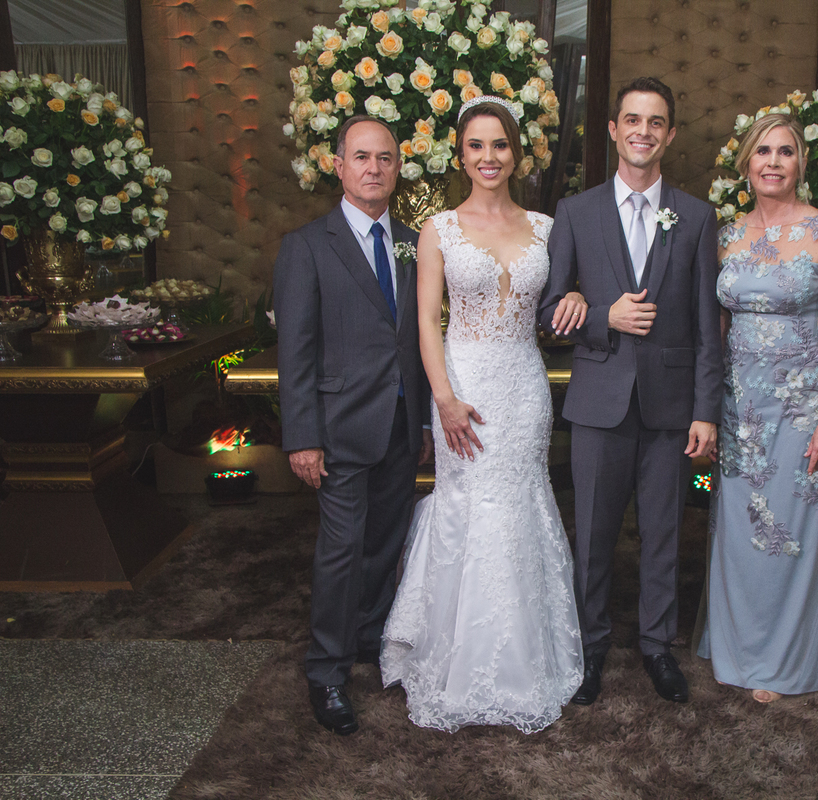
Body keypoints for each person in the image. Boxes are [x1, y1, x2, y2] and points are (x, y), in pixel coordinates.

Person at [380, 97, 587, 734]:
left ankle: (525, 662)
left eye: (500, 145)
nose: (488, 157)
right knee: (467, 502)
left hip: (524, 385)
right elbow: (425, 321)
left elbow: (566, 296)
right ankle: (453, 659)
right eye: (476, 145)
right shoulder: (438, 229)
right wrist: (443, 397)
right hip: (463, 383)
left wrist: (579, 295)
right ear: (461, 154)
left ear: (516, 154)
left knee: (520, 501)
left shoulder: (549, 227)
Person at [539, 77, 723, 705]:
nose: (643, 131)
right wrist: (602, 316)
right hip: (599, 401)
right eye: (633, 120)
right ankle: (589, 648)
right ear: (614, 130)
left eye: (656, 121)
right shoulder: (575, 212)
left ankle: (657, 645)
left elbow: (706, 326)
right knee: (592, 533)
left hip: (671, 406)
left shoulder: (696, 217)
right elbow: (548, 309)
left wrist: (706, 412)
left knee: (665, 531)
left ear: (670, 135)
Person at [275, 116, 433, 735]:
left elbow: (419, 339)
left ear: (398, 168)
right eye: (361, 157)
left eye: (385, 158)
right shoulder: (307, 246)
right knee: (341, 551)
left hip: (401, 422)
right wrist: (302, 436)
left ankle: (369, 639)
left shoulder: (414, 242)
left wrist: (424, 421)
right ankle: (326, 670)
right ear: (338, 166)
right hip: (339, 426)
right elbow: (295, 350)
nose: (374, 168)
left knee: (385, 543)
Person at [696, 113, 818, 703]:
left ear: (800, 164)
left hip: (802, 413)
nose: (772, 162)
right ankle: (737, 647)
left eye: (785, 152)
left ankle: (782, 662)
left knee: (791, 533)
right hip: (739, 409)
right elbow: (713, 328)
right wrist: (706, 406)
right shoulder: (725, 235)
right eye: (762, 151)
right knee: (740, 532)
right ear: (746, 163)